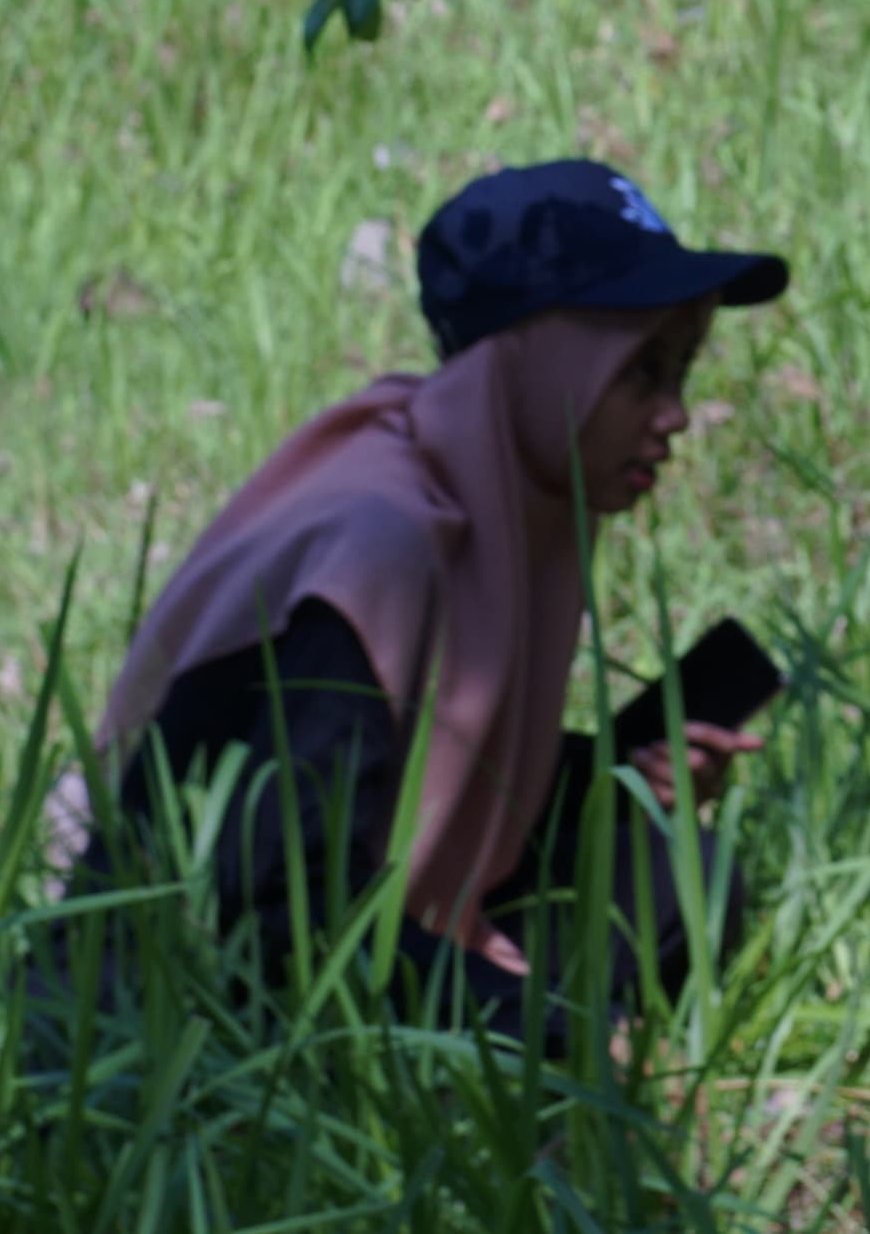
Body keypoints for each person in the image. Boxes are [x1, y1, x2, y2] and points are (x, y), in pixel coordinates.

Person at [83, 162, 790, 1034]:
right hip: (197, 992)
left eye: (680, 372)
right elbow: (269, 908)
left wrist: (611, 780)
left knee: (680, 881)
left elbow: (420, 770)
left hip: (349, 918)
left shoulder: (507, 491)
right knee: (557, 1043)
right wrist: (540, 1028)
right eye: (639, 372)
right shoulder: (379, 543)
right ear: (538, 367)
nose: (675, 415)